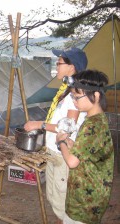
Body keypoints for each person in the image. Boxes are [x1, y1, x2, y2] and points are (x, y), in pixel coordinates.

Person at [24, 47, 88, 223]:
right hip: (53, 152)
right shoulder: (66, 88)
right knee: (54, 198)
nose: (56, 66)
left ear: (72, 66)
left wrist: (39, 125)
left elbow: (67, 127)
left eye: (59, 63)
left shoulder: (77, 93)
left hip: (63, 153)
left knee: (63, 201)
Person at [56, 70, 114, 224]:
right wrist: (71, 144)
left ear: (95, 96)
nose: (74, 101)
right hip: (86, 193)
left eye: (77, 97)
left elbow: (73, 162)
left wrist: (61, 142)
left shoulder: (92, 125)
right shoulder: (95, 120)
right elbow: (87, 151)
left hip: (86, 200)